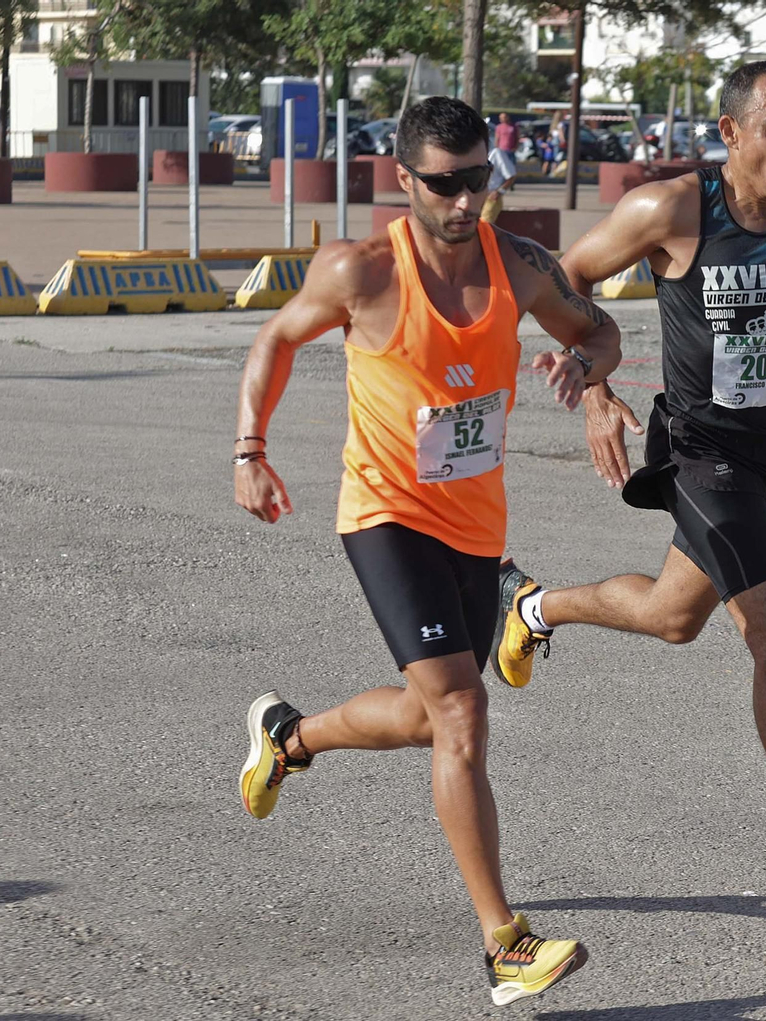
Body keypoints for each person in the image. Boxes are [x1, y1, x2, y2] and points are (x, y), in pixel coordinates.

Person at [493, 60, 766, 937]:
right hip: (696, 450)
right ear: (730, 134)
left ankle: (532, 606)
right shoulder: (675, 209)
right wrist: (596, 389)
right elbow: (561, 279)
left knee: (674, 614)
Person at [232, 96, 622, 1005]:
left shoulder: (517, 263)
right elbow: (274, 339)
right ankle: (505, 943)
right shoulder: (360, 270)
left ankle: (288, 739)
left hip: (476, 526)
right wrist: (250, 450)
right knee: (462, 711)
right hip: (385, 513)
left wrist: (588, 369)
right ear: (403, 179)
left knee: (425, 716)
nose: (464, 198)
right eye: (444, 183)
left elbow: (598, 328)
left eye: (479, 177)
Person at [492, 112, 519, 190]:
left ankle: (511, 184)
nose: (503, 119)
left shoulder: (513, 127)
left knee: (512, 167)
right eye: (501, 118)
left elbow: (517, 138)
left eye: (504, 117)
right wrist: (497, 148)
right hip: (502, 150)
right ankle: (503, 184)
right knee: (503, 168)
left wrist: (515, 147)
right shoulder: (499, 127)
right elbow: (497, 138)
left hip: (511, 150)